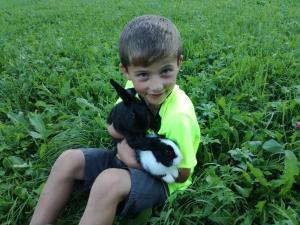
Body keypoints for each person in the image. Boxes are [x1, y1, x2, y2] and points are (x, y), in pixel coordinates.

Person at [30, 15, 200, 225]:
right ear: (126, 72)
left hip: (163, 182)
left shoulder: (179, 116)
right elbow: (113, 128)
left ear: (178, 63)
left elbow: (182, 174)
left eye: (165, 71)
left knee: (107, 183)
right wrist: (123, 141)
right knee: (68, 159)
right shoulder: (130, 93)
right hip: (123, 157)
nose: (156, 86)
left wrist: (135, 163)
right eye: (143, 75)